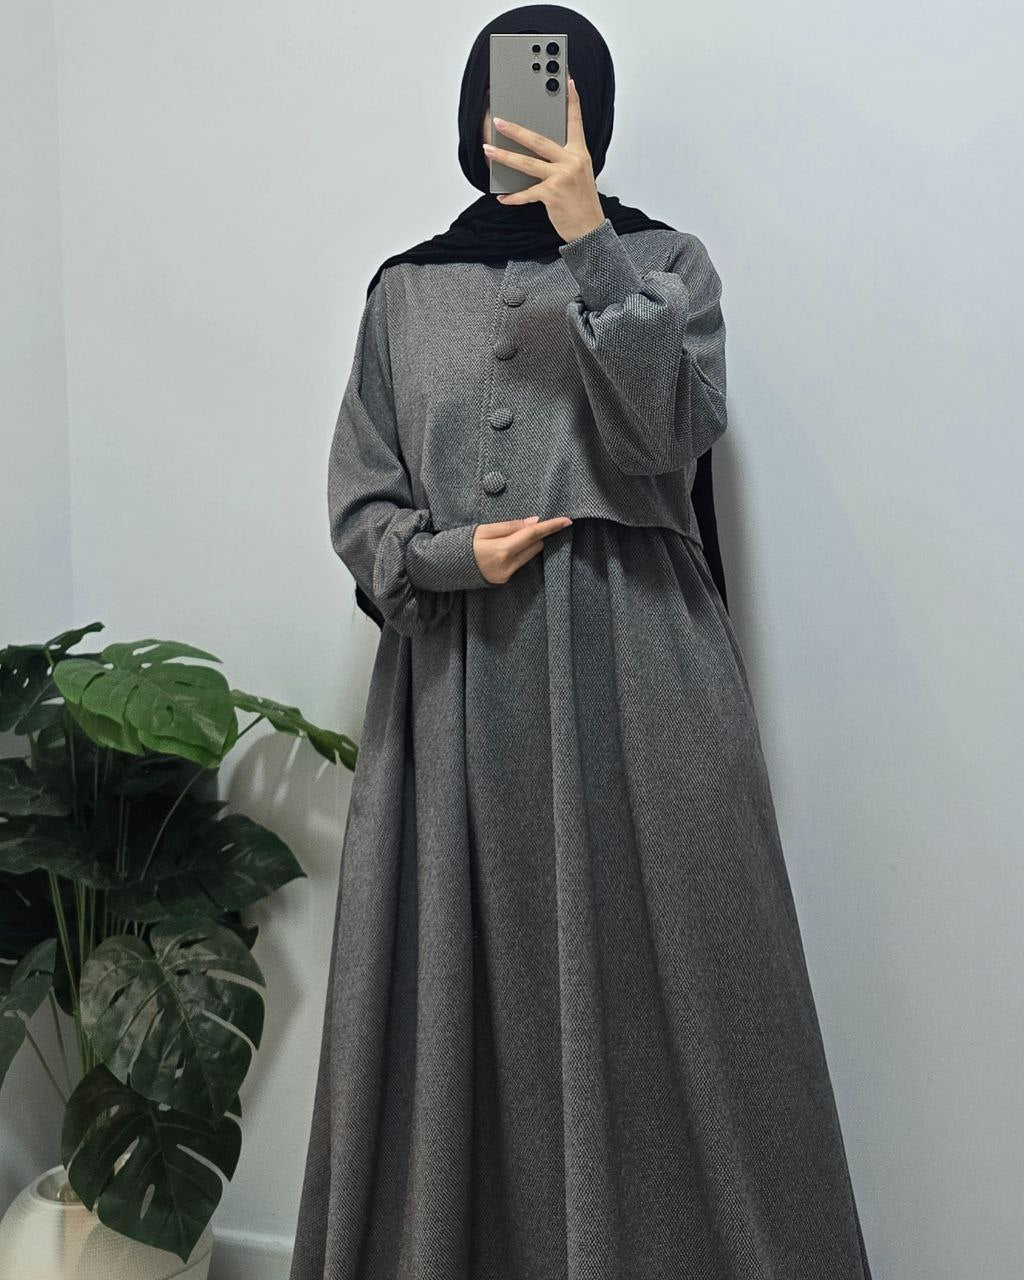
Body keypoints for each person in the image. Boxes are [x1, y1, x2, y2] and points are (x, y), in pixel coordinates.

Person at [288, 6, 874, 1279]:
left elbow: (672, 433)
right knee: (460, 1006)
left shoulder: (665, 267)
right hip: (455, 695)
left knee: (689, 1001)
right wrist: (452, 554)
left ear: (590, 113)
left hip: (639, 685)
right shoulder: (403, 293)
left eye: (558, 92)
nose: (528, 113)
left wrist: (589, 240)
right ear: (473, 111)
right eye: (506, 92)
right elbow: (362, 502)